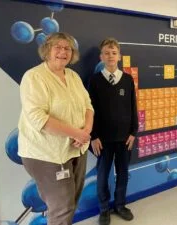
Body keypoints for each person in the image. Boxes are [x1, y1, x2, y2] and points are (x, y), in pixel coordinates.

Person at [18, 32, 94, 225]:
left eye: (67, 48)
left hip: (77, 147)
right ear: (47, 50)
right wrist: (78, 133)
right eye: (57, 47)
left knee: (71, 202)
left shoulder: (73, 76)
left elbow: (88, 106)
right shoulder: (34, 77)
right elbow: (38, 118)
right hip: (46, 153)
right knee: (62, 207)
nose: (63, 52)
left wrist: (85, 132)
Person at [88, 38, 138, 225]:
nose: (110, 56)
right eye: (107, 53)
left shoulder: (126, 79)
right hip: (103, 140)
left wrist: (133, 132)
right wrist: (93, 136)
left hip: (125, 138)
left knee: (123, 173)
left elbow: (133, 106)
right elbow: (89, 110)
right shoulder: (94, 80)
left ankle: (120, 205)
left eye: (114, 52)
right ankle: (104, 209)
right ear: (101, 56)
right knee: (102, 175)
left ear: (119, 56)